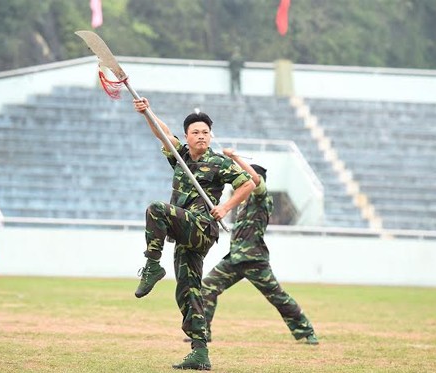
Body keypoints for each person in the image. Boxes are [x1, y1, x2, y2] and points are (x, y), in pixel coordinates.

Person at [132, 98, 256, 370]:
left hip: (201, 228)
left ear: (210, 135)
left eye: (205, 133)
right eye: (196, 133)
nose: (201, 136)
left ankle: (152, 265)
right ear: (187, 137)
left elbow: (248, 184)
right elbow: (162, 133)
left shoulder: (219, 163)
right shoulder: (180, 157)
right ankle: (200, 352)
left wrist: (225, 207)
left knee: (156, 209)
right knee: (187, 291)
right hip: (183, 231)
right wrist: (147, 112)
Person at [194, 148, 319, 345]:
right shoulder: (243, 203)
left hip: (255, 260)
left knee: (278, 297)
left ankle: (306, 332)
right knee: (207, 287)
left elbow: (254, 181)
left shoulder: (262, 199)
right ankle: (202, 332)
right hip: (235, 259)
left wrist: (234, 158)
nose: (243, 182)